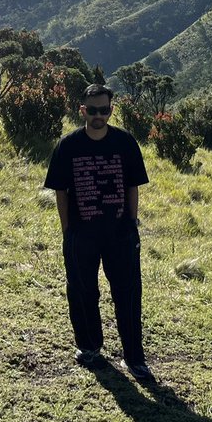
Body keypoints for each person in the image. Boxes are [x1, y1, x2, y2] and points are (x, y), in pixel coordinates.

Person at [44, 83, 152, 380]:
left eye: (104, 110)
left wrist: (131, 224)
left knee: (128, 294)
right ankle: (89, 348)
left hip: (120, 235)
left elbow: (132, 185)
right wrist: (68, 232)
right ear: (83, 111)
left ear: (111, 111)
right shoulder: (68, 146)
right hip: (82, 234)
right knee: (82, 292)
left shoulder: (126, 143)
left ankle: (134, 357)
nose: (98, 116)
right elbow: (61, 192)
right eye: (92, 110)